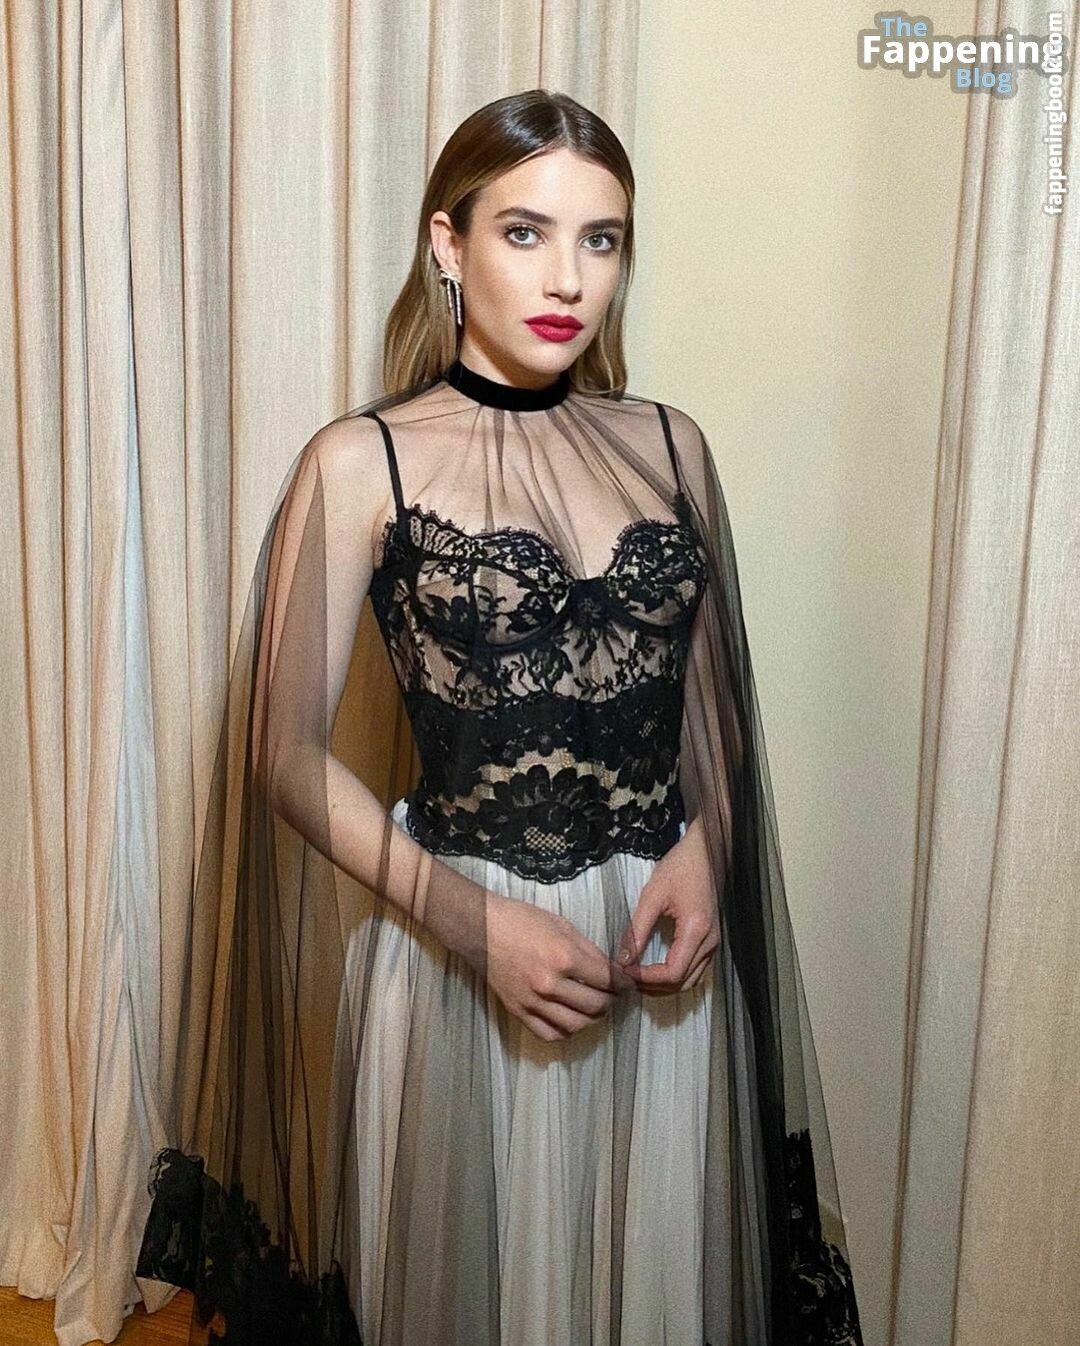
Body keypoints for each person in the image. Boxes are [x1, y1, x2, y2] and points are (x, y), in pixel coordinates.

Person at [135, 88, 864, 1346]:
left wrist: (709, 846)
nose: (569, 277)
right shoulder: (360, 461)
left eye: (601, 238)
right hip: (459, 945)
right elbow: (284, 754)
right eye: (525, 232)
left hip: (657, 953)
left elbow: (715, 717)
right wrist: (474, 923)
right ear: (448, 242)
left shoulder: (673, 447)